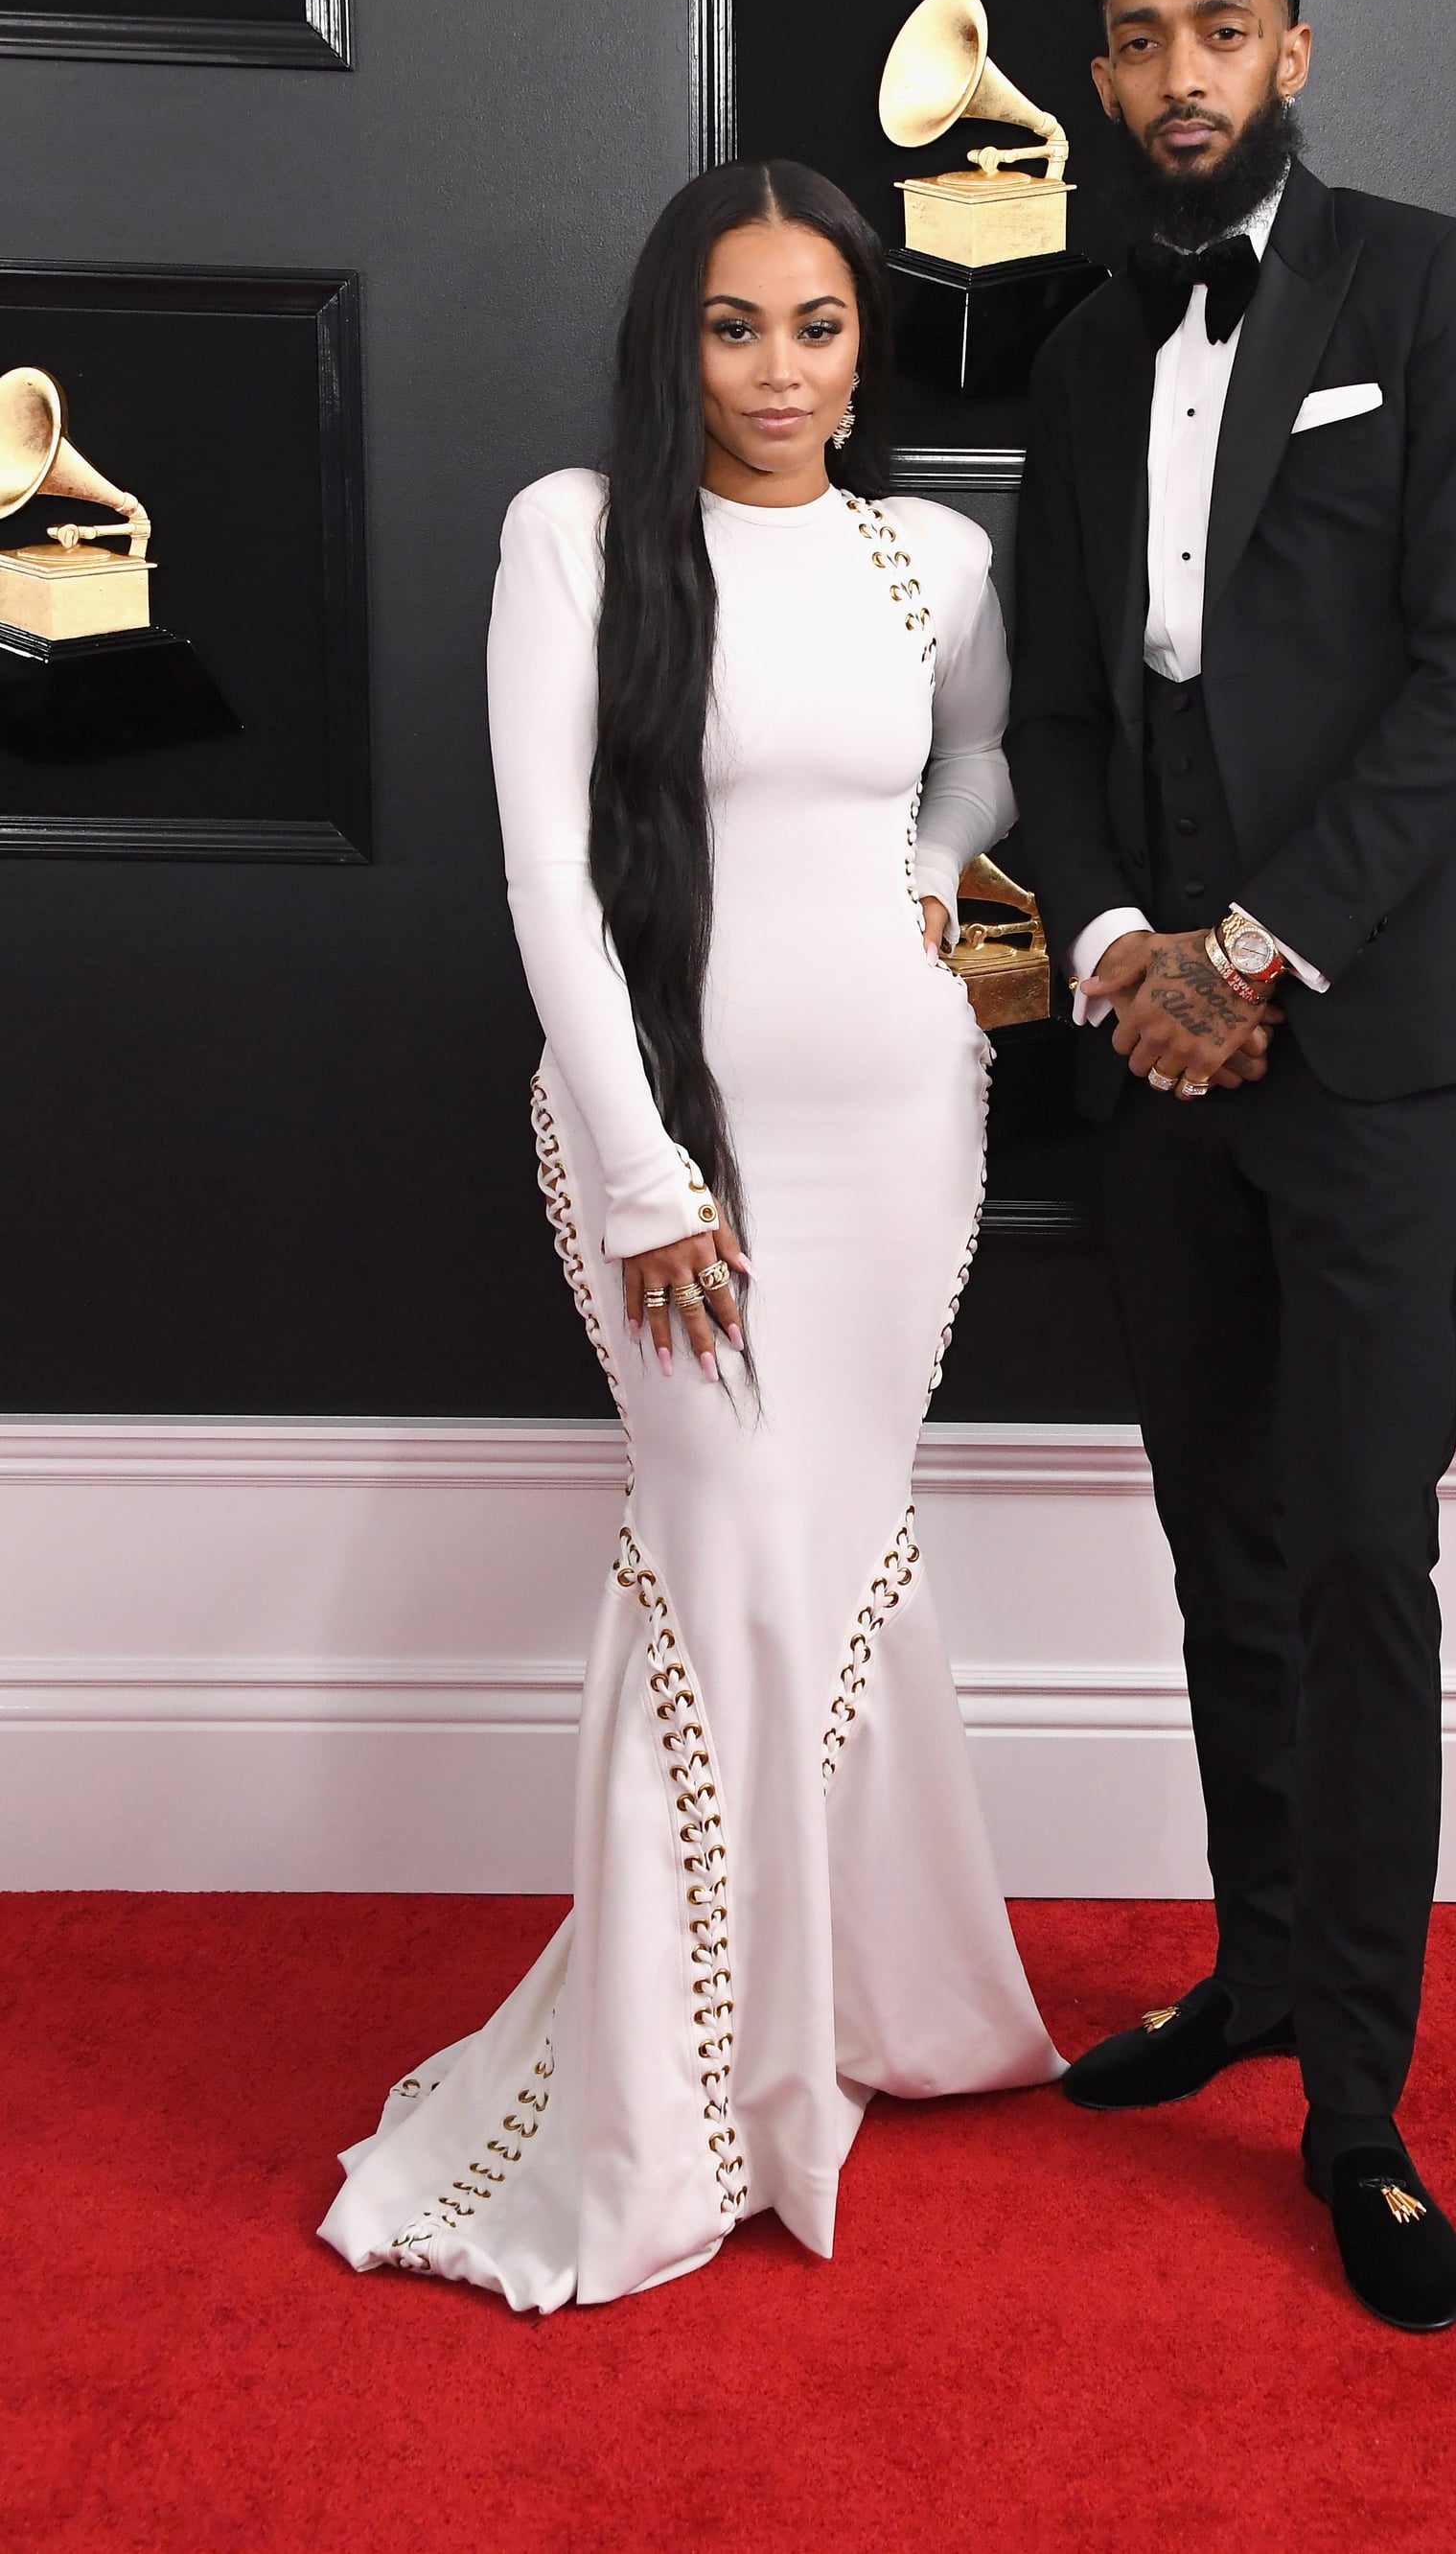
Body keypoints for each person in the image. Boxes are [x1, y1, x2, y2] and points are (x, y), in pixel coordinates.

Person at [319, 160, 1060, 2311]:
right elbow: (547, 876)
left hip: (906, 1114)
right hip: (676, 1135)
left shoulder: (933, 552)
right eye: (734, 326)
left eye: (817, 326)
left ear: (866, 343)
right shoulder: (574, 534)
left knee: (832, 1552)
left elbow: (991, 755)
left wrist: (935, 871)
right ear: (676, 339)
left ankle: (872, 2016)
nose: (777, 369)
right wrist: (648, 1176)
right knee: (720, 1537)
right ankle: (674, 2113)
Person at [1005, 0, 1456, 2333]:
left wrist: (1256, 950)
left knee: (1357, 1560)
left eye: (1218, 28)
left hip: (1359, 1039)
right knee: (1215, 1538)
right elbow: (1051, 708)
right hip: (1156, 1051)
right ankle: (1245, 1973)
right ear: (1105, 85)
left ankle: (1357, 2100)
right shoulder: (1083, 342)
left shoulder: (1438, 292)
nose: (1178, 73)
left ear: (1294, 50)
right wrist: (1126, 948)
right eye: (1135, 43)